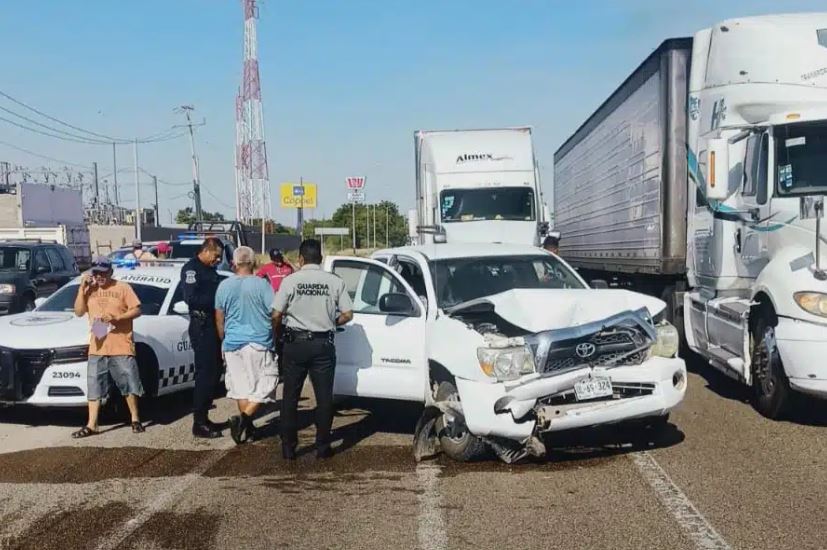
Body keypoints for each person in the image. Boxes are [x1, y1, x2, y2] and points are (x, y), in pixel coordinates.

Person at [273, 239, 353, 460]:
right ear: (320, 258)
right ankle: (323, 446)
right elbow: (348, 314)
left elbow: (276, 314)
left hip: (295, 344)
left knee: (290, 397)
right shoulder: (334, 281)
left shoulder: (290, 281)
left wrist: (278, 335)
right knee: (324, 398)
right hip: (322, 345)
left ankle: (288, 447)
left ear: (300, 259)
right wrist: (331, 322)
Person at [71, 256, 144, 438]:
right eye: (96, 273)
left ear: (110, 272)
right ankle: (92, 424)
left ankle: (135, 418)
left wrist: (118, 318)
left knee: (129, 381)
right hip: (97, 345)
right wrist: (81, 289)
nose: (99, 277)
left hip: (120, 343)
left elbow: (137, 309)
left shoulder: (122, 287)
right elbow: (79, 312)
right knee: (94, 384)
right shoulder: (90, 289)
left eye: (103, 273)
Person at [215, 246, 277, 445]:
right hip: (258, 341)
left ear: (234, 263)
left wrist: (223, 339)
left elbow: (219, 318)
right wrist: (273, 331)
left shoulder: (224, 286)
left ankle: (246, 429)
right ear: (254, 262)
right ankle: (244, 419)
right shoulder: (262, 285)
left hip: (232, 342)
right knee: (267, 384)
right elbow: (275, 312)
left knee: (241, 389)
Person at [181, 237, 225, 438]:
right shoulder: (192, 269)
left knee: (215, 372)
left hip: (212, 324)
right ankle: (198, 423)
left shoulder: (210, 270)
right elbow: (191, 298)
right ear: (206, 250)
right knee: (205, 373)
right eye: (217, 256)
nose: (218, 260)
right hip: (201, 325)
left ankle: (205, 416)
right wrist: (218, 300)